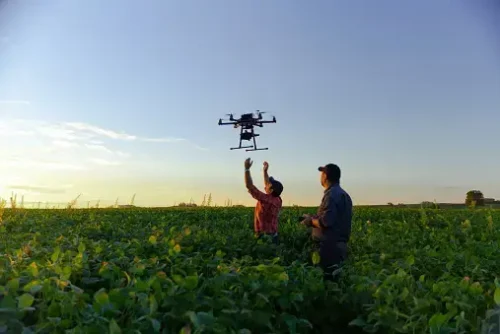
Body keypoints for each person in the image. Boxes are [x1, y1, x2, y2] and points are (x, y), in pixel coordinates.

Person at [300, 163, 352, 281]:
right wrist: (313, 217)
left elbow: (325, 222)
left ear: (325, 176)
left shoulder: (331, 195)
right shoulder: (344, 194)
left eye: (322, 174)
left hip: (329, 248)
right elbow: (334, 218)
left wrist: (310, 221)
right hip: (339, 246)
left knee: (327, 282)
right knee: (335, 282)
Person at [244, 158, 283, 244]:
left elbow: (249, 185)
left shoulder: (264, 199)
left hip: (263, 236)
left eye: (269, 184)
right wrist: (265, 171)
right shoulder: (278, 200)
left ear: (271, 190)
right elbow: (267, 184)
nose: (267, 184)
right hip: (274, 235)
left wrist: (247, 169)